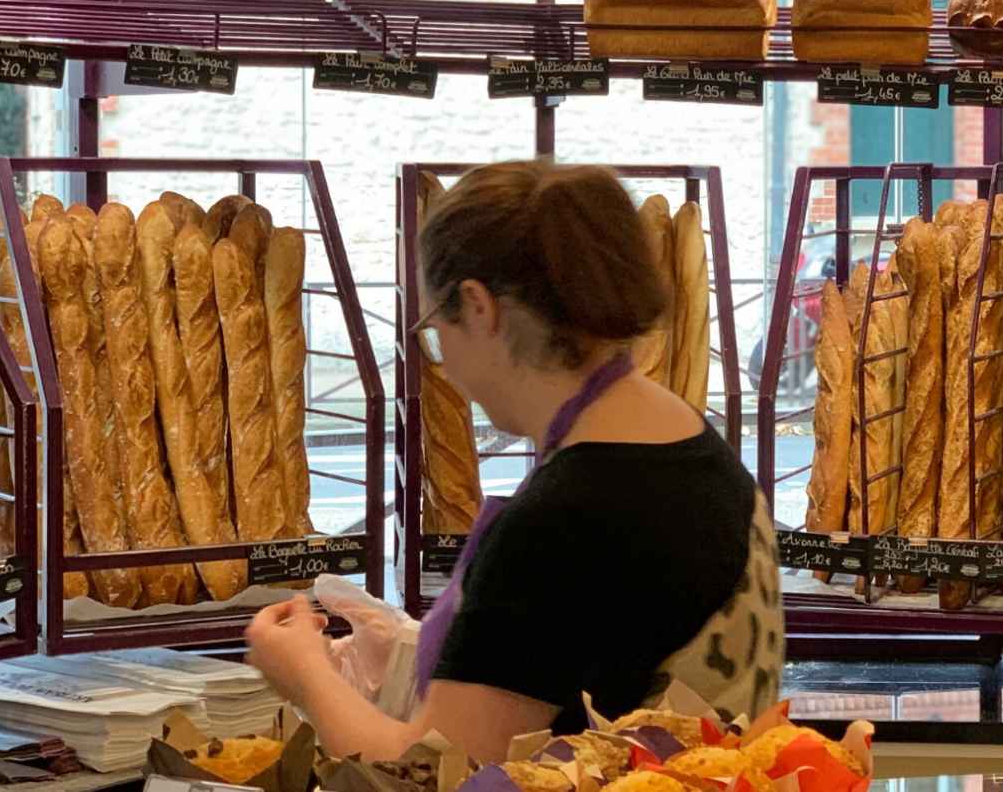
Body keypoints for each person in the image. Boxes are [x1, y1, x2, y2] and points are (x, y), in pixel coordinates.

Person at [246, 160, 783, 762]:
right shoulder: (694, 449)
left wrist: (304, 675)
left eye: (434, 326)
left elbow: (428, 773)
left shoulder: (559, 522)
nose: (442, 357)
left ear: (478, 307)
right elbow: (580, 656)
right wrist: (416, 651)